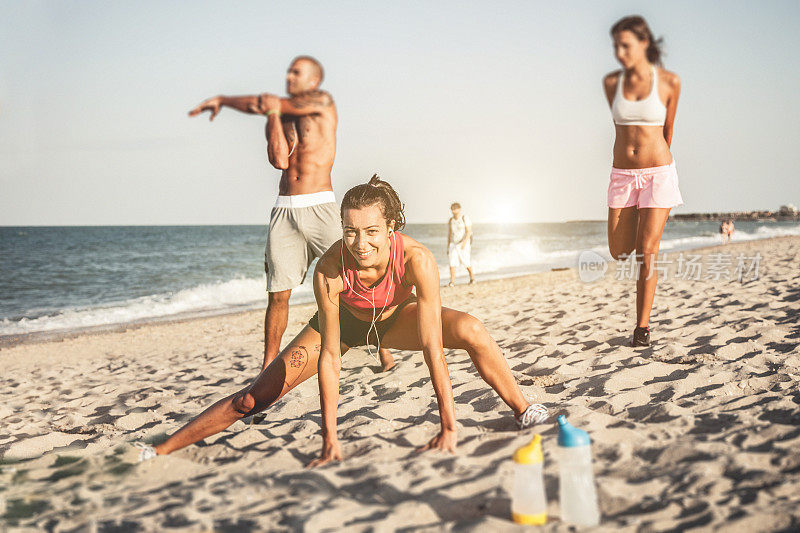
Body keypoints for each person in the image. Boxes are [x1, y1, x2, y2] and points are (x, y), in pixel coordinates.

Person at [138, 175, 548, 465]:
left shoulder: (417, 260)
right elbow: (330, 359)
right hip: (346, 325)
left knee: (471, 329)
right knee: (251, 399)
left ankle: (524, 410)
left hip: (395, 321)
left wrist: (449, 426)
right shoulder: (330, 268)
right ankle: (159, 451)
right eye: (351, 231)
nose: (360, 243)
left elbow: (431, 348)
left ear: (391, 227)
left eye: (371, 231)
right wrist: (329, 438)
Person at [187, 56, 393, 371]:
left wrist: (266, 106)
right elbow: (279, 160)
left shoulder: (323, 102)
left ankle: (382, 346)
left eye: (296, 72)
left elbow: (263, 102)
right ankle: (268, 365)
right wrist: (230, 103)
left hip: (320, 207)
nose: (289, 76)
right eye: (288, 71)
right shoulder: (281, 114)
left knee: (357, 276)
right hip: (285, 211)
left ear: (313, 80)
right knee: (278, 294)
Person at [603, 16, 683, 347]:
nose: (620, 53)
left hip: (658, 172)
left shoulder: (669, 82)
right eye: (616, 46)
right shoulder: (611, 84)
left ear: (644, 43)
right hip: (622, 174)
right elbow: (621, 128)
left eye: (626, 45)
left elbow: (668, 130)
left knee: (647, 252)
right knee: (620, 249)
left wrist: (654, 163)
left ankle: (642, 327)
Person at [447, 202, 475, 287]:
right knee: (452, 263)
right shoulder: (451, 220)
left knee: (466, 262)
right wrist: (448, 246)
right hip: (453, 243)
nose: (454, 211)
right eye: (452, 209)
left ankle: (472, 279)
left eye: (455, 209)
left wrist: (464, 243)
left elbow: (469, 231)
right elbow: (449, 233)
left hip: (463, 243)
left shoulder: (464, 218)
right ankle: (452, 282)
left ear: (459, 209)